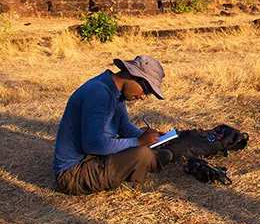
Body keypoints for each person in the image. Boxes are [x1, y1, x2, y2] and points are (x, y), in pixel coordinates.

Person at [53, 55, 173, 195]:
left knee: (145, 134)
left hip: (93, 156)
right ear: (132, 75)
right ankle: (151, 161)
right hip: (74, 173)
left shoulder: (115, 90)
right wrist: (139, 141)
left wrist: (151, 139)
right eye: (145, 90)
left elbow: (124, 126)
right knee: (142, 154)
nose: (143, 97)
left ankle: (154, 155)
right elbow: (93, 145)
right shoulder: (98, 94)